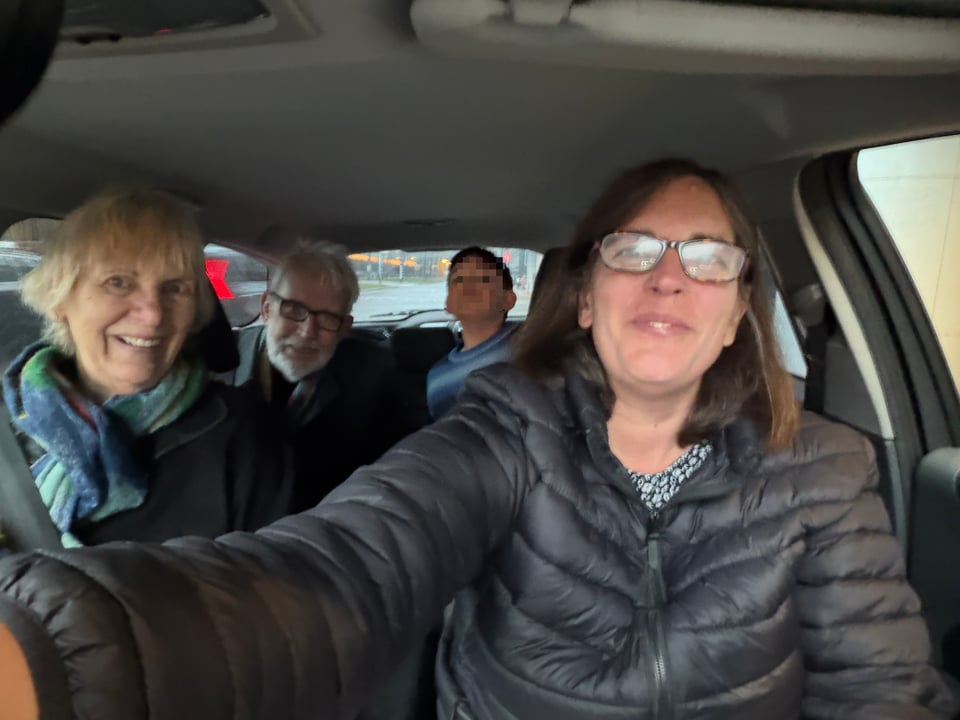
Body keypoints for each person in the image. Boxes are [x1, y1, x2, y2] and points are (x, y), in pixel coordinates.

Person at [0, 159, 955, 720]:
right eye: (633, 252)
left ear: (740, 310)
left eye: (709, 259)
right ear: (584, 297)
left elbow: (881, 692)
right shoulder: (504, 430)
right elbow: (344, 570)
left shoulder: (823, 470)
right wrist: (55, 651)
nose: (670, 279)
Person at [0, 188, 292, 549]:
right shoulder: (10, 418)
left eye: (175, 288)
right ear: (61, 298)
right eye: (118, 282)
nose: (153, 315)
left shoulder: (242, 436)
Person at [218, 241, 405, 511]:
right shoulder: (218, 365)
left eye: (328, 318)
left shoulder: (372, 377)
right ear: (267, 308)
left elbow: (390, 477)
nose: (307, 331)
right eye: (294, 309)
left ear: (344, 329)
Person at [426, 246, 517, 418]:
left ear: (508, 299)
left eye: (483, 279)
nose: (468, 285)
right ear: (448, 302)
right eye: (458, 279)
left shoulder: (531, 346)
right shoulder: (437, 377)